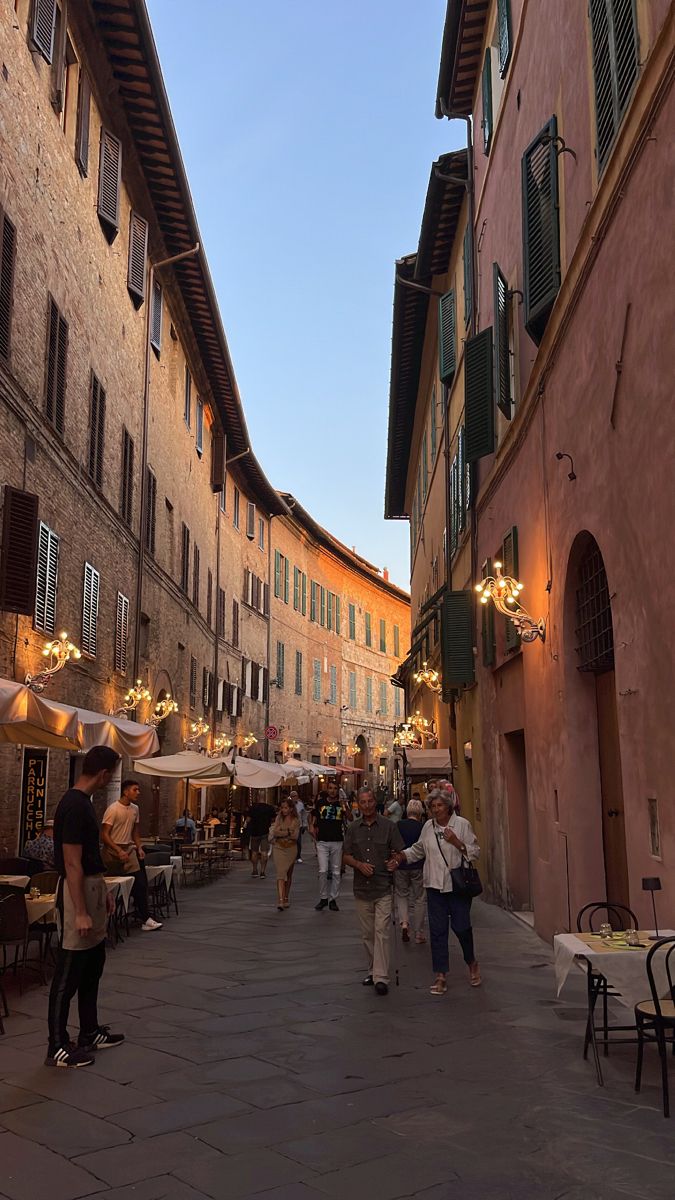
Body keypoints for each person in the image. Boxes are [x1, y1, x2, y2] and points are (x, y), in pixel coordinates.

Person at [46, 746, 125, 1068]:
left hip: (91, 888)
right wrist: (79, 910)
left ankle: (89, 1031)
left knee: (93, 966)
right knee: (68, 973)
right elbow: (72, 862)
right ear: (104, 774)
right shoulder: (75, 806)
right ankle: (57, 1045)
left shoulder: (84, 804)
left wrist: (102, 889)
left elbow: (89, 859)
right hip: (76, 892)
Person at [388, 788, 481, 994]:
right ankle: (440, 976)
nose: (436, 809)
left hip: (457, 887)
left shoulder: (462, 824)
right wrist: (401, 857)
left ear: (448, 806)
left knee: (462, 927)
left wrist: (457, 842)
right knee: (438, 933)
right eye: (432, 806)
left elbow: (475, 852)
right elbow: (419, 849)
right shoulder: (428, 827)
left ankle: (471, 961)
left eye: (440, 805)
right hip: (434, 887)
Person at [343, 786, 404, 995]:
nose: (367, 806)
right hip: (362, 889)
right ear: (358, 805)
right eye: (363, 802)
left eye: (370, 801)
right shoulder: (353, 828)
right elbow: (346, 855)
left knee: (382, 932)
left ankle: (381, 977)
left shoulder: (389, 826)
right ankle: (372, 969)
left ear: (374, 803)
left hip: (383, 886)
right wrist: (359, 865)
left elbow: (400, 852)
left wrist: (395, 861)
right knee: (368, 934)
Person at [101, 780, 162, 933]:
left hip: (129, 849)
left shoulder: (135, 809)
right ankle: (106, 919)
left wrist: (139, 847)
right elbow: (104, 835)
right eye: (135, 790)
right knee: (111, 886)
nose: (138, 792)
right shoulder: (113, 809)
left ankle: (145, 918)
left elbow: (135, 831)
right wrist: (117, 850)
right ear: (125, 791)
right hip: (112, 851)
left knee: (140, 883)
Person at [310, 776, 352, 911]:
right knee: (322, 870)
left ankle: (333, 898)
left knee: (336, 872)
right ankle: (323, 898)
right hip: (322, 840)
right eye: (330, 788)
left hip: (337, 840)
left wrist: (345, 806)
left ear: (338, 790)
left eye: (335, 789)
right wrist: (311, 826)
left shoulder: (341, 804)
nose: (332, 791)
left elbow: (350, 818)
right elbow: (314, 816)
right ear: (327, 789)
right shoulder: (320, 803)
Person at [393, 798, 427, 945]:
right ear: (420, 813)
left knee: (402, 895)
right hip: (418, 866)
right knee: (419, 898)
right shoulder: (423, 827)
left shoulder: (398, 825)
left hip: (401, 866)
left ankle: (404, 923)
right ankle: (418, 932)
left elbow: (393, 843)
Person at [269, 797, 300, 910]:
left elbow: (295, 836)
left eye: (286, 808)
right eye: (282, 808)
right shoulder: (279, 818)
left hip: (291, 849)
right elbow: (275, 832)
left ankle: (286, 897)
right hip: (279, 847)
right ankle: (280, 900)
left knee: (289, 874)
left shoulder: (296, 820)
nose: (284, 810)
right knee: (281, 873)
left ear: (291, 809)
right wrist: (287, 832)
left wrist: (282, 833)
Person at [247, 798, 275, 878]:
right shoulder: (269, 808)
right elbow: (273, 819)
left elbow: (248, 819)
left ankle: (255, 870)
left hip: (254, 833)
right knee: (264, 852)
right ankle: (262, 871)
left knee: (254, 852)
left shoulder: (252, 807)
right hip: (265, 832)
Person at [291, 791, 307, 862]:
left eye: (296, 796)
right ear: (291, 797)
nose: (295, 797)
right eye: (293, 796)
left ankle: (298, 856)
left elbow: (303, 815)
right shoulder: (288, 805)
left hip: (298, 825)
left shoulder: (300, 804)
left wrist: (305, 824)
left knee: (298, 841)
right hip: (290, 826)